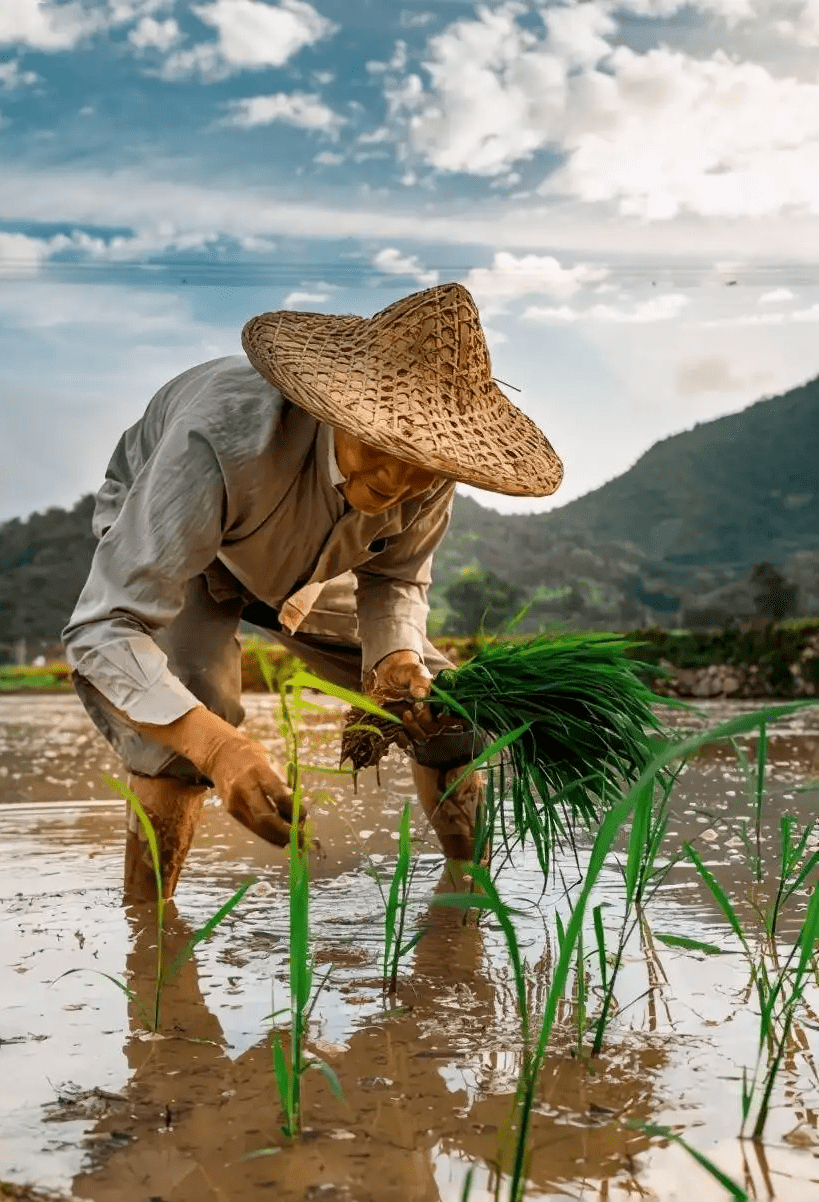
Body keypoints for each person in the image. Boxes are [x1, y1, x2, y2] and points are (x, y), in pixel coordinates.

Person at [62, 282, 563, 901]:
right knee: (187, 721)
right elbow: (104, 628)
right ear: (333, 409)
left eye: (423, 463)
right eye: (382, 444)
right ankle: (150, 935)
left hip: (307, 567)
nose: (398, 478)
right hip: (183, 548)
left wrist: (395, 660)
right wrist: (220, 749)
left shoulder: (430, 470)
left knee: (443, 711)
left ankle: (471, 903)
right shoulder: (216, 439)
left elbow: (396, 579)